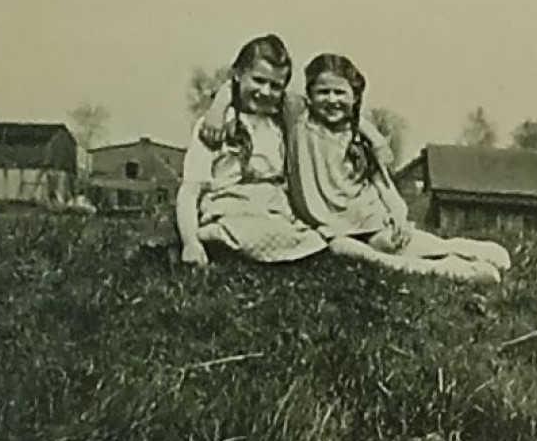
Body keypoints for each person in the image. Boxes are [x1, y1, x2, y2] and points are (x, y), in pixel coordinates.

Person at [202, 52, 511, 284]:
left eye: (340, 93)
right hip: (329, 227)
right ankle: (444, 269)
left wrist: (398, 213)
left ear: (354, 98)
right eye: (323, 92)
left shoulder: (355, 134)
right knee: (344, 250)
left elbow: (380, 181)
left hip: (365, 216)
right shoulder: (297, 117)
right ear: (308, 95)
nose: (331, 100)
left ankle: (459, 249)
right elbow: (237, 84)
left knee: (395, 241)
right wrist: (216, 111)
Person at [176, 34, 328, 267]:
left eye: (275, 86)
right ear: (238, 74)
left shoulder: (281, 123)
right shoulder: (216, 124)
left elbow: (328, 111)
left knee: (315, 237)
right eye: (258, 80)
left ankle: (270, 247)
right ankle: (214, 240)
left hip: (272, 210)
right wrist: (189, 242)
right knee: (245, 231)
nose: (265, 91)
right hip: (230, 207)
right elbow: (190, 188)